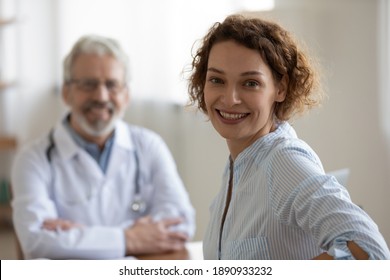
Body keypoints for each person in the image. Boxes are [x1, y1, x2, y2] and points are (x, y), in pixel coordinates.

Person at [187, 14, 390, 260]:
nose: (230, 99)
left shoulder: (284, 161)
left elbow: (371, 252)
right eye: (217, 80)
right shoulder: (237, 163)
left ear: (280, 88)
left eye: (250, 83)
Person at [11, 35, 195, 259]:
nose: (101, 96)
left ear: (126, 95)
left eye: (112, 84)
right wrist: (132, 238)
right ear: (66, 93)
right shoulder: (33, 159)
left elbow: (180, 224)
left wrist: (79, 238)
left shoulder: (149, 146)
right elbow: (37, 242)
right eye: (88, 84)